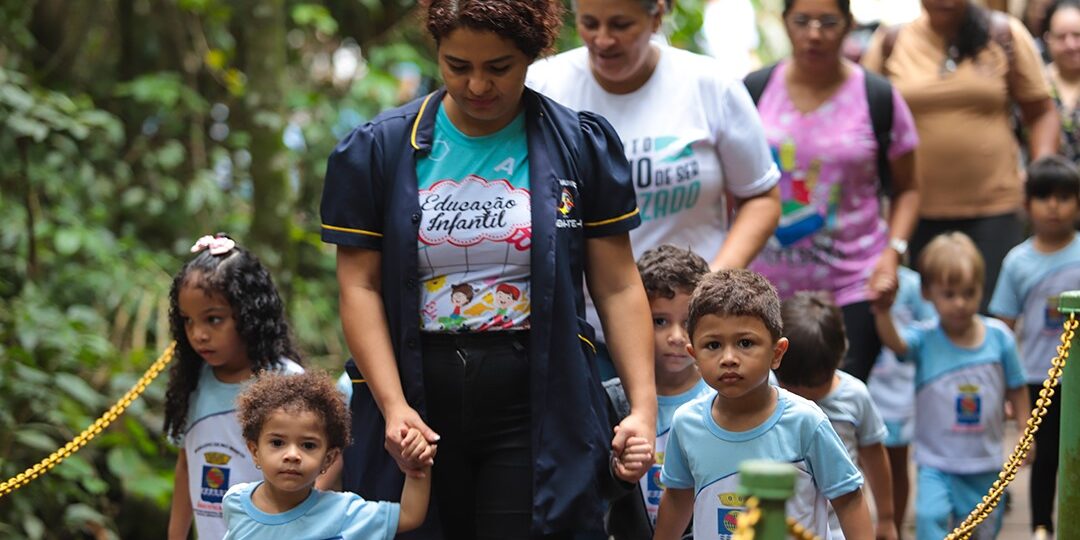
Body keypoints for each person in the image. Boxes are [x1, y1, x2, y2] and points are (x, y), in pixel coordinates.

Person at [319, 0, 658, 537]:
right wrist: (393, 406)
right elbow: (358, 285)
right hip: (415, 397)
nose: (477, 85)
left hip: (537, 396)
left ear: (532, 55)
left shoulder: (579, 144)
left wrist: (643, 408)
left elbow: (617, 285)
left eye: (498, 67)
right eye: (458, 65)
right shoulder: (379, 149)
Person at [526, 0, 782, 378]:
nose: (603, 39)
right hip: (587, 333)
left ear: (657, 16)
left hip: (693, 333)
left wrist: (709, 288)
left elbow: (761, 197)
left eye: (620, 24)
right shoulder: (543, 85)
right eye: (589, 23)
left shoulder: (711, 86)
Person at [745, 0, 921, 383]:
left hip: (853, 287)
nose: (814, 33)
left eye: (827, 22)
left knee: (841, 404)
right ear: (785, 23)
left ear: (847, 25)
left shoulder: (878, 96)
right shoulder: (754, 90)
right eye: (802, 21)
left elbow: (907, 189)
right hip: (764, 292)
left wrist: (894, 253)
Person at [863, 0, 1060, 312]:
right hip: (916, 214)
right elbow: (859, 110)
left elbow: (1042, 113)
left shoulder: (1004, 34)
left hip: (996, 209)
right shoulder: (892, 42)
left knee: (992, 318)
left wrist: (1039, 174)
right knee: (928, 322)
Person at [654, 269, 873, 540]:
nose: (729, 358)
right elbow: (677, 498)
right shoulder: (686, 423)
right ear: (694, 355)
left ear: (777, 353)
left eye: (745, 343)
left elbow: (848, 499)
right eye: (713, 345)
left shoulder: (806, 421)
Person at [873, 232, 1030, 540]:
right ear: (928, 293)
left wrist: (1025, 429)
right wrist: (882, 311)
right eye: (949, 293)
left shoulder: (999, 339)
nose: (960, 303)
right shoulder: (925, 338)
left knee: (984, 529)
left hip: (985, 462)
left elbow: (1017, 386)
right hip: (935, 464)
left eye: (969, 293)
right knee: (930, 519)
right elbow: (897, 343)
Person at [164, 234, 304, 540]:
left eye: (213, 319)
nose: (198, 334)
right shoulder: (193, 383)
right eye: (188, 321)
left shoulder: (288, 384)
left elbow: (324, 464)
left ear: (250, 314)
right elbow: (187, 465)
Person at [220, 371, 431, 538]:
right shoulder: (236, 503)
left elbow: (408, 516)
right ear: (255, 451)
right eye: (277, 443)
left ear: (328, 459)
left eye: (308, 445)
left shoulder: (342, 512)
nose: (292, 455)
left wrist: (417, 463)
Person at [989, 155, 1080, 540]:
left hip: (1078, 378)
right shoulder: (1017, 262)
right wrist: (1006, 389)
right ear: (1027, 205)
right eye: (1044, 197)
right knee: (1042, 458)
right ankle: (1041, 526)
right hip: (1037, 379)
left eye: (1064, 196)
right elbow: (1002, 330)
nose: (1054, 206)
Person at [604, 245, 713, 539]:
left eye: (688, 322)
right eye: (660, 321)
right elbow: (593, 490)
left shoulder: (722, 401)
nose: (676, 337)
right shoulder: (612, 401)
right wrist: (618, 473)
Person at [777, 292, 897, 540]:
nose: (804, 399)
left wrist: (886, 518)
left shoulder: (854, 396)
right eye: (792, 386)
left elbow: (875, 459)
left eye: (813, 388)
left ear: (842, 350)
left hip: (838, 527)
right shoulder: (767, 391)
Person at [866, 265, 937, 537]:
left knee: (897, 461)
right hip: (866, 383)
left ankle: (892, 527)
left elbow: (931, 329)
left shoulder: (912, 283)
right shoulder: (851, 275)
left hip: (901, 390)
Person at [1044, 0, 1080, 161]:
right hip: (1046, 184)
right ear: (1048, 39)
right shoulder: (1036, 85)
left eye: (1077, 35)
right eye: (1061, 37)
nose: (1070, 45)